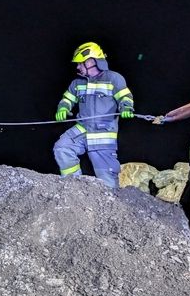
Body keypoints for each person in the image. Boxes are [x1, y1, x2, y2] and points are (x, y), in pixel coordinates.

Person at [53, 42, 134, 188]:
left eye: (80, 63)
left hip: (103, 133)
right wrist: (63, 108)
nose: (78, 67)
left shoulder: (114, 79)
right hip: (83, 129)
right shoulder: (77, 83)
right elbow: (67, 99)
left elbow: (125, 97)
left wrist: (126, 108)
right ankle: (73, 186)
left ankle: (112, 205)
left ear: (91, 61)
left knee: (106, 177)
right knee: (62, 148)